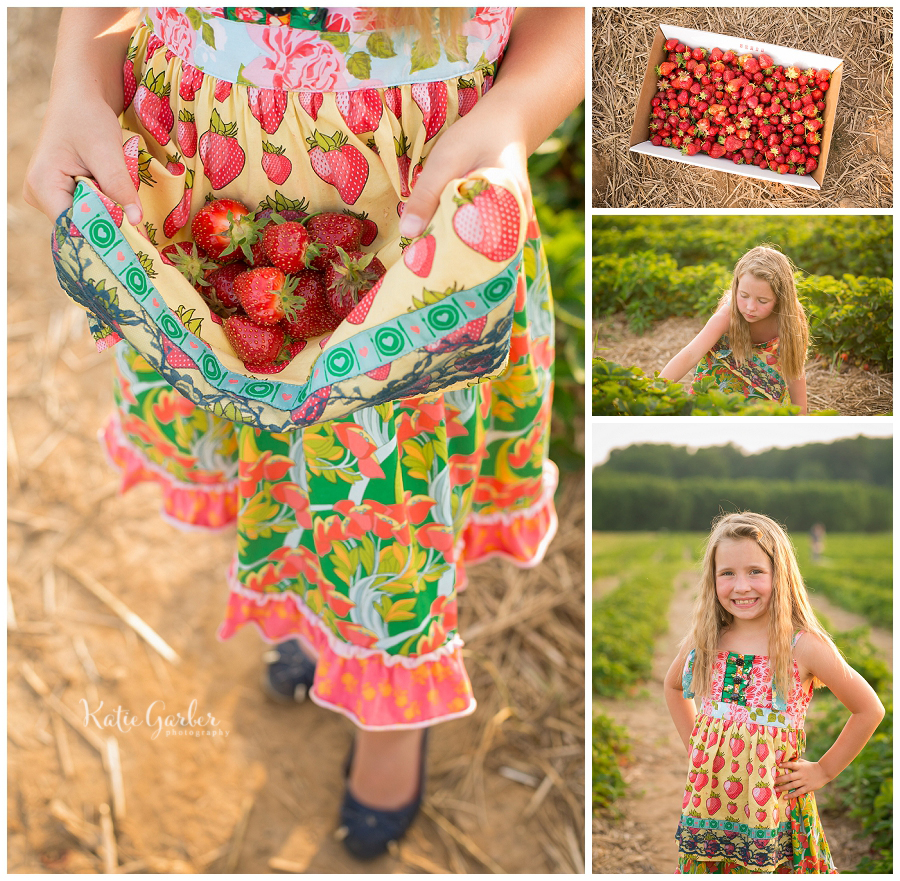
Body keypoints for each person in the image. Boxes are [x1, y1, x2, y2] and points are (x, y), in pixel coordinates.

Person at [24, 6, 584, 860]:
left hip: (409, 212)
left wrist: (512, 116)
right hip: (202, 195)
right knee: (257, 440)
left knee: (386, 494)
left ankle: (389, 716)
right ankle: (301, 613)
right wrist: (78, 84)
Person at [664, 512, 884, 873]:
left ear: (779, 574)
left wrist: (825, 770)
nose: (741, 586)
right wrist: (697, 747)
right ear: (712, 578)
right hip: (712, 801)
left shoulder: (803, 646)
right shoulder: (707, 639)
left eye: (755, 571)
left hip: (774, 805)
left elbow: (868, 709)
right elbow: (674, 687)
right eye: (727, 573)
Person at [659, 246, 809, 414]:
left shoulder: (789, 321)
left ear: (780, 299)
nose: (750, 307)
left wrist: (801, 419)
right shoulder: (726, 316)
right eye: (744, 296)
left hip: (762, 401)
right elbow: (690, 354)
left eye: (763, 301)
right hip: (718, 393)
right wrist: (653, 392)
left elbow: (795, 371)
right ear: (736, 287)